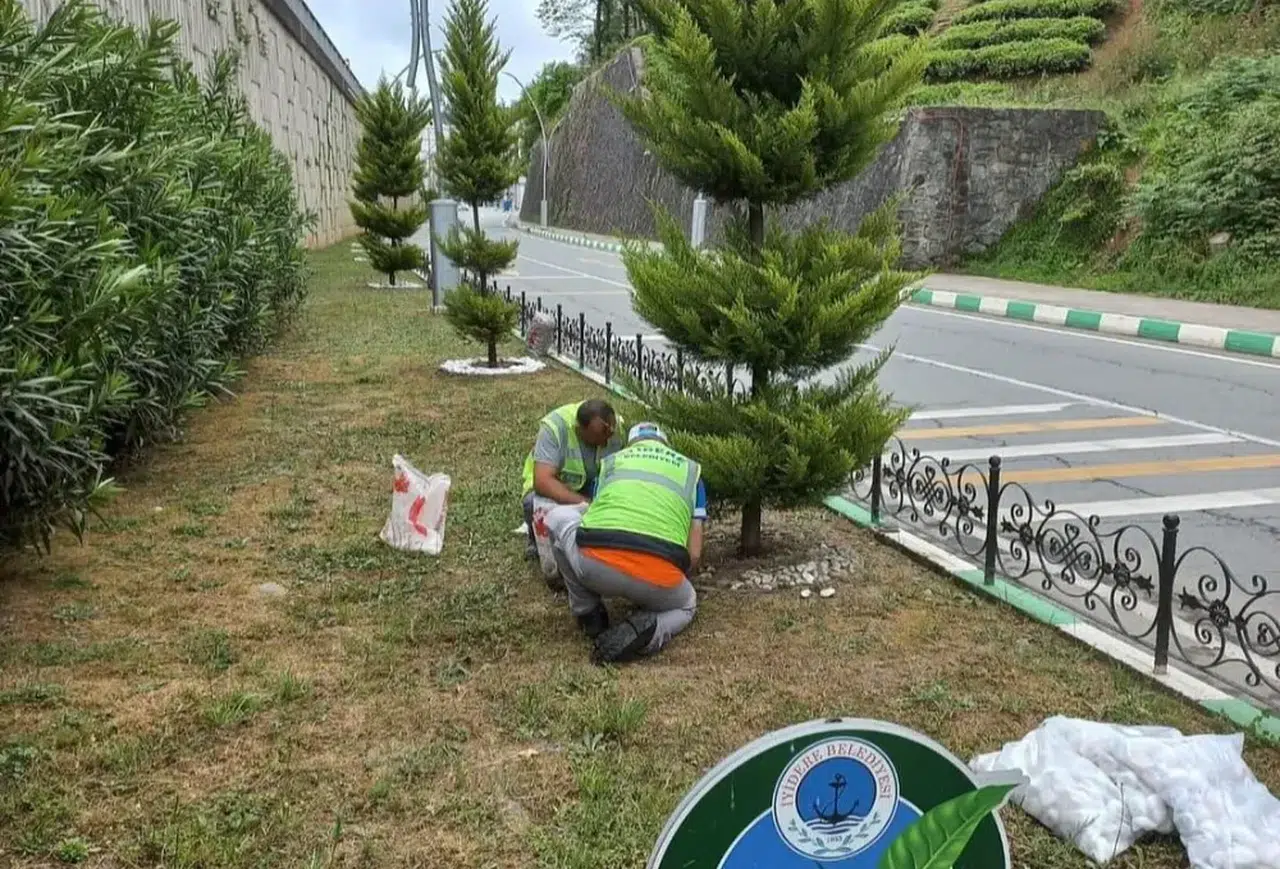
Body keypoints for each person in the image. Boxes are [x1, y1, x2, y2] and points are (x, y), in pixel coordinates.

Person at [543, 422, 706, 664]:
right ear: (665, 444)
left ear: (631, 444)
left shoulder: (611, 463)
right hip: (658, 574)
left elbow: (594, 514)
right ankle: (650, 628)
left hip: (594, 565)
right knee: (687, 605)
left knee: (556, 517)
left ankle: (589, 613)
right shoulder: (691, 472)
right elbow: (694, 554)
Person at [520, 399, 626, 566]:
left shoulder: (616, 426)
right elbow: (543, 481)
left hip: (593, 485)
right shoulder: (554, 427)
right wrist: (585, 503)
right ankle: (536, 541)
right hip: (557, 486)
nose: (605, 443)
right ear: (579, 430)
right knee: (531, 503)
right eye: (597, 440)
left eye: (608, 437)